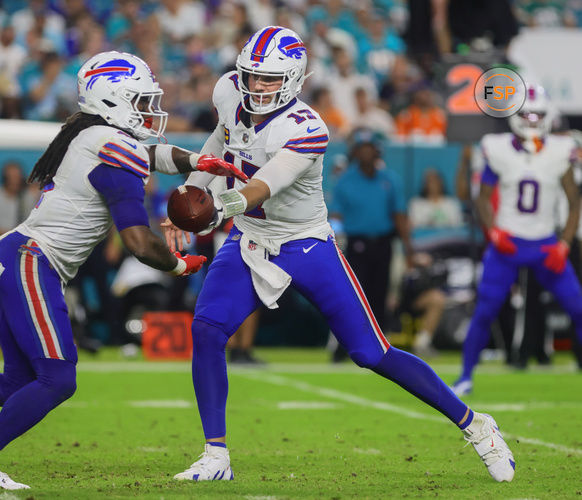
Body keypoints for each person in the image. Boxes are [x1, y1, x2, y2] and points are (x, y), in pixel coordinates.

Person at [0, 50, 247, 491]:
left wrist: (198, 162)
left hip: (21, 256)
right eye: (142, 100)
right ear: (115, 101)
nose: (151, 111)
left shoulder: (96, 136)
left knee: (18, 383)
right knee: (57, 379)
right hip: (33, 259)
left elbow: (151, 154)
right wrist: (180, 264)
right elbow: (137, 241)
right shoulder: (114, 149)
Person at [162, 26, 514, 483]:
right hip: (250, 237)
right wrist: (192, 190)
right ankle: (216, 455)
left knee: (372, 352)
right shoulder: (229, 91)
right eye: (251, 76)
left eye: (268, 79)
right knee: (207, 331)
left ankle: (476, 424)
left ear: (293, 79)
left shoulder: (307, 128)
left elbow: (262, 186)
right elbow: (219, 143)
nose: (256, 86)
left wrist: (212, 211)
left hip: (305, 242)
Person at [452, 85, 582, 396]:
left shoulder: (560, 150)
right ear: (514, 115)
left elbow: (574, 200)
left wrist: (564, 243)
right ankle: (466, 376)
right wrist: (493, 231)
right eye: (526, 113)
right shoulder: (498, 149)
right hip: (506, 244)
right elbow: (483, 198)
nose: (532, 119)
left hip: (544, 244)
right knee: (485, 310)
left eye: (538, 114)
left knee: (578, 308)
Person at [330, 128, 413, 333]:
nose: (366, 153)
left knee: (380, 293)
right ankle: (347, 341)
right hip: (356, 243)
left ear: (378, 151)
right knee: (354, 293)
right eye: (362, 148)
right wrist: (337, 242)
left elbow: (399, 214)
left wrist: (408, 247)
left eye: (370, 148)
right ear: (355, 152)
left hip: (383, 243)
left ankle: (379, 341)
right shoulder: (345, 181)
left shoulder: (390, 179)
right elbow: (336, 216)